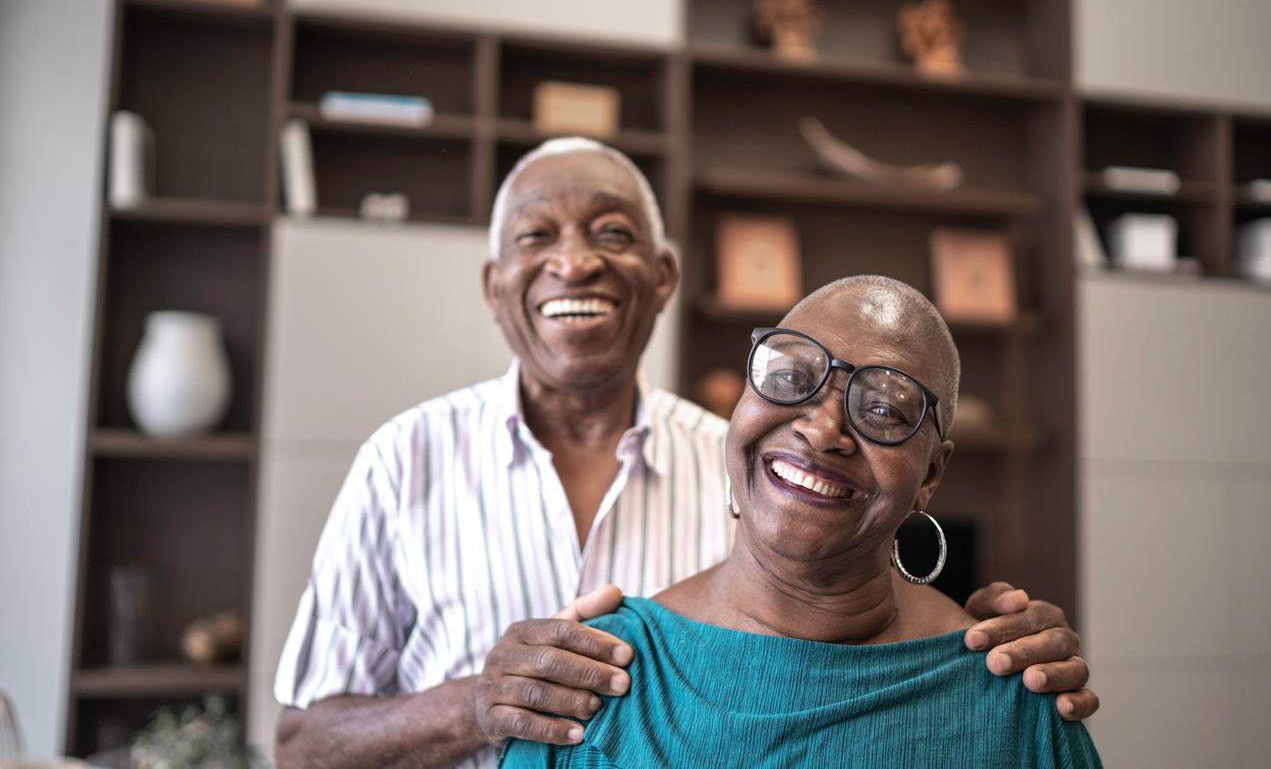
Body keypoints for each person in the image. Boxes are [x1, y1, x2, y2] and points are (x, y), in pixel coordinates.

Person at [273, 139, 1097, 769]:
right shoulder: (403, 461)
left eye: (610, 231)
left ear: (663, 277)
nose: (574, 259)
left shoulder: (758, 468)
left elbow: (849, 595)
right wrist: (476, 707)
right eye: (536, 236)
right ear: (495, 285)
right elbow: (299, 742)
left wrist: (994, 650)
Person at [502, 276, 1103, 768]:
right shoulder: (592, 680)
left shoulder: (1015, 696)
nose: (821, 431)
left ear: (930, 476)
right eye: (791, 379)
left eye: (884, 410)